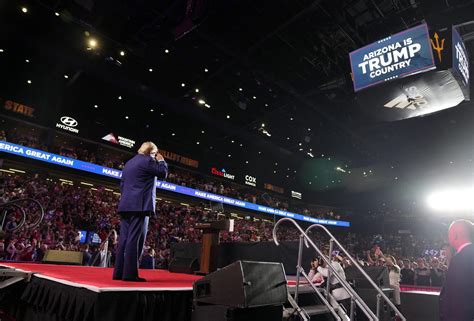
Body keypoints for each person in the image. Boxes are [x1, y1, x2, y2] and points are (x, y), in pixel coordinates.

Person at [112, 142, 168, 282]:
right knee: (135, 240)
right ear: (152, 152)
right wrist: (161, 161)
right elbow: (163, 173)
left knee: (124, 239)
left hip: (126, 205)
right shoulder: (148, 160)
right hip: (140, 206)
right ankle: (130, 274)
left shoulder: (129, 162)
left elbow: (122, 185)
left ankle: (118, 272)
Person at [439, 219, 474, 321]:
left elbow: (458, 294)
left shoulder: (462, 258)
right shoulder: (465, 254)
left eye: (449, 234)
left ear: (455, 235)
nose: (448, 237)